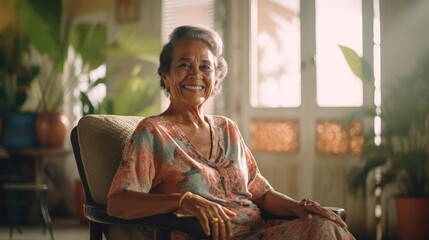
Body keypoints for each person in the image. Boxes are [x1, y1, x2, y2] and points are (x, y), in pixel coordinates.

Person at [107, 25, 356, 240]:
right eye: (184, 65)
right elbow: (118, 202)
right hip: (205, 235)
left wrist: (301, 208)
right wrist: (183, 200)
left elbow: (261, 192)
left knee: (324, 225)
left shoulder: (227, 128)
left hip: (260, 231)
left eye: (206, 67)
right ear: (166, 76)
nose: (196, 74)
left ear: (215, 78)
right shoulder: (153, 133)